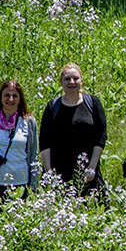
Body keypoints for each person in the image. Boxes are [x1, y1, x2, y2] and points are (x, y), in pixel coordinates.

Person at [39, 63, 108, 200]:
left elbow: (101, 136)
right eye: (67, 79)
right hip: (60, 174)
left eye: (75, 78)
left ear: (81, 80)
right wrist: (48, 173)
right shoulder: (53, 106)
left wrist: (92, 167)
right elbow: (44, 141)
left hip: (88, 173)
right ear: (60, 82)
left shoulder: (92, 103)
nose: (72, 82)